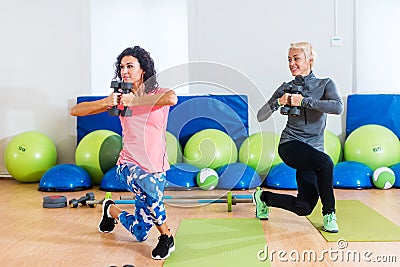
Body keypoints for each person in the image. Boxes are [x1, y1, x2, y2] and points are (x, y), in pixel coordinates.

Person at [70, 46, 178, 259]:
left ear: (143, 70)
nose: (124, 71)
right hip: (127, 165)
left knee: (140, 232)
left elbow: (172, 99)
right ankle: (167, 236)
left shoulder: (157, 94)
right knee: (147, 186)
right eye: (121, 67)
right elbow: (75, 111)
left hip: (156, 167)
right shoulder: (120, 98)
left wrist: (136, 101)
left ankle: (111, 210)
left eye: (130, 66)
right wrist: (105, 102)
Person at [253, 41, 343, 233]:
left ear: (310, 60)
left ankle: (263, 198)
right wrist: (279, 101)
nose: (292, 63)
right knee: (326, 163)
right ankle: (330, 214)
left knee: (304, 207)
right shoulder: (286, 87)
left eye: (296, 58)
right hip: (290, 144)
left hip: (313, 152)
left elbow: (337, 107)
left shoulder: (325, 84)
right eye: (289, 59)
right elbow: (260, 115)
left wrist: (304, 101)